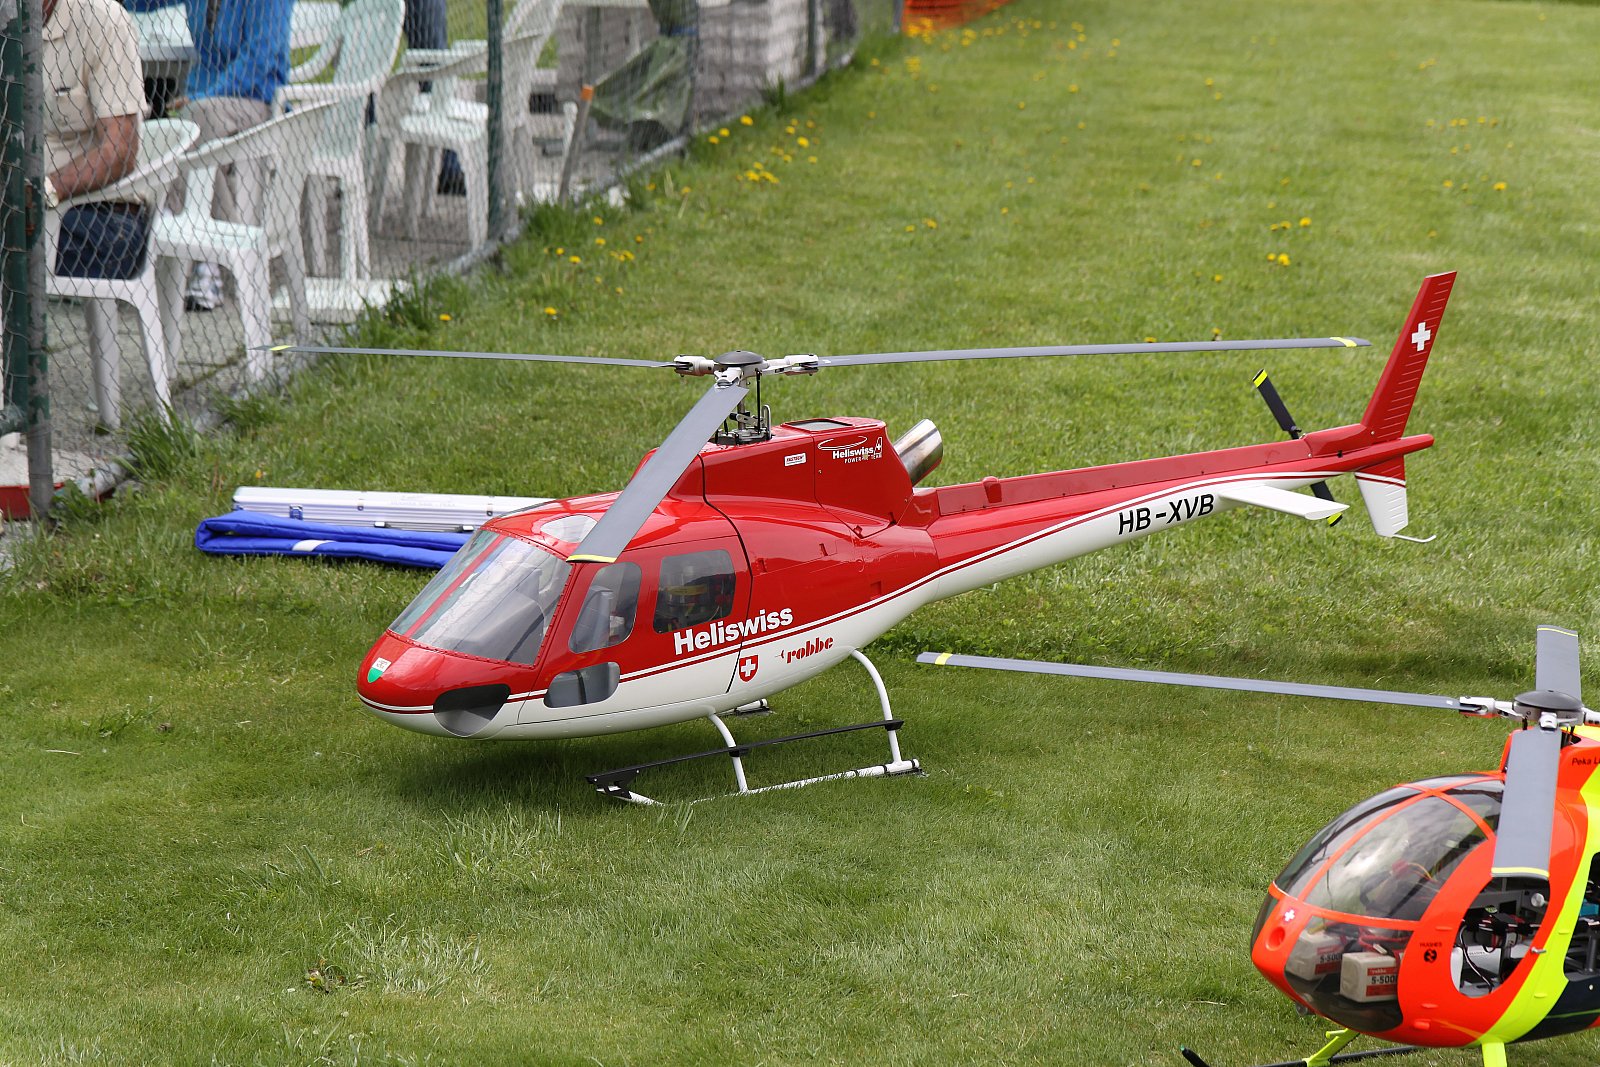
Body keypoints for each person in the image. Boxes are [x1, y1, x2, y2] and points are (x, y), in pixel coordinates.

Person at [172, 0, 295, 309]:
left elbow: (261, 58)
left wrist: (205, 96)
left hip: (254, 99)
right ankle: (226, 255)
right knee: (184, 130)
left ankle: (209, 261)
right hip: (202, 101)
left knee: (198, 120)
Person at [42, 0, 147, 279]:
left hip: (101, 217)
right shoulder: (9, 24)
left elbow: (119, 152)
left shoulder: (104, 19)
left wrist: (43, 189)